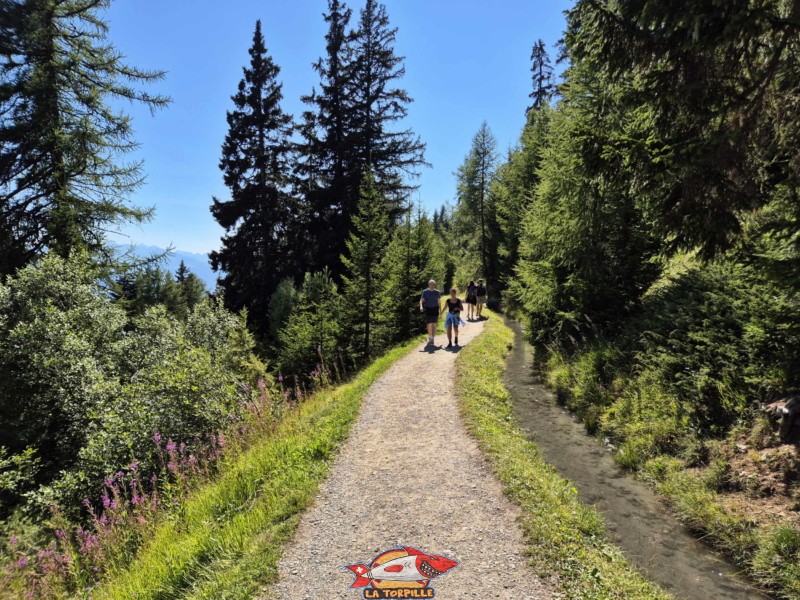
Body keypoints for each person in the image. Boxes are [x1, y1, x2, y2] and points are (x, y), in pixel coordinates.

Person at [419, 280, 441, 345]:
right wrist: (421, 307)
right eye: (431, 284)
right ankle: (430, 337)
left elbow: (439, 302)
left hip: (435, 309)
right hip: (428, 309)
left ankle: (433, 338)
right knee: (429, 324)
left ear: (435, 285)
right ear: (428, 285)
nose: (432, 286)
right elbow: (421, 300)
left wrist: (440, 311)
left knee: (434, 324)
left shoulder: (437, 292)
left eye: (433, 284)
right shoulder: (425, 292)